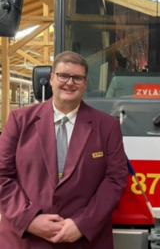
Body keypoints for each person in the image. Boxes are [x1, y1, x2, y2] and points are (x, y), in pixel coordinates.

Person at [0, 51, 128, 249]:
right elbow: (3, 176)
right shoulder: (19, 121)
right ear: (51, 79)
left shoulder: (107, 127)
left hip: (83, 240)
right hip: (26, 240)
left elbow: (115, 180)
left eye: (77, 78)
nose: (70, 83)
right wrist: (29, 219)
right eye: (63, 76)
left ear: (85, 83)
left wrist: (83, 224)